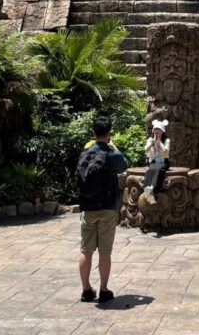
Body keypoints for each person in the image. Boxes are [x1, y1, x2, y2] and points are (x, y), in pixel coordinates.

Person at [76, 115, 127, 305]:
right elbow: (124, 165)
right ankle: (104, 290)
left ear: (93, 132)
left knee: (85, 250)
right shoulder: (112, 154)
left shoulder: (86, 151)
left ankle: (86, 290)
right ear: (109, 133)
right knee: (105, 251)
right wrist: (114, 147)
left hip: (87, 208)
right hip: (107, 208)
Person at [139, 119, 170, 206]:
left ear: (162, 131)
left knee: (158, 169)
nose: (156, 131)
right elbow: (145, 150)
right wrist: (152, 143)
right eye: (155, 130)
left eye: (158, 130)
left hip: (163, 163)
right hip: (153, 163)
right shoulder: (150, 140)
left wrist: (159, 142)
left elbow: (165, 152)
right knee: (150, 170)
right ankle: (149, 192)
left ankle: (151, 189)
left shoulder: (166, 141)